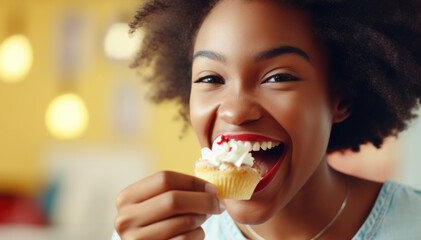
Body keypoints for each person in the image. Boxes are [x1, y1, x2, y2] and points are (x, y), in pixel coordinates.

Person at [112, 0, 421, 239]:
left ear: (340, 99)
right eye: (210, 79)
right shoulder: (155, 233)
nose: (235, 111)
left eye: (278, 77)